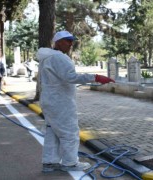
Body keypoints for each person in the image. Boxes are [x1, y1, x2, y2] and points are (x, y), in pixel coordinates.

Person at [37, 30, 115, 173]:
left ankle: (50, 162)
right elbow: (71, 77)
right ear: (58, 42)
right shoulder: (58, 57)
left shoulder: (47, 57)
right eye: (67, 40)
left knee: (53, 132)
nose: (71, 44)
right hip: (60, 102)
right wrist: (96, 77)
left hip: (50, 100)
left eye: (72, 41)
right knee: (70, 132)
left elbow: (61, 79)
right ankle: (70, 163)